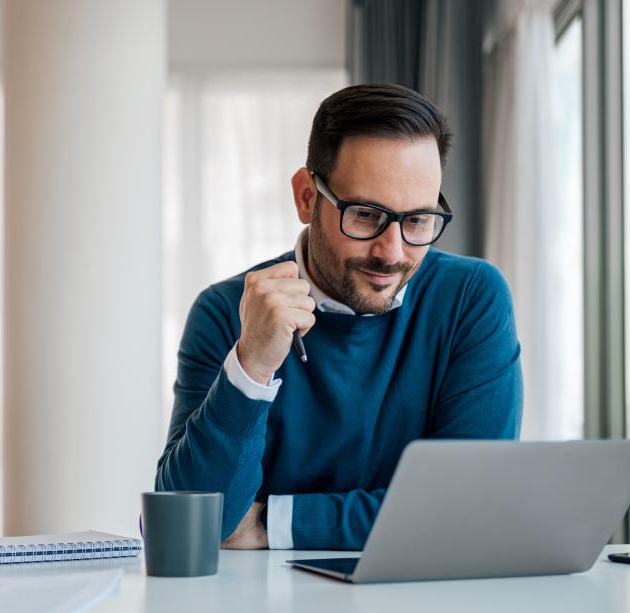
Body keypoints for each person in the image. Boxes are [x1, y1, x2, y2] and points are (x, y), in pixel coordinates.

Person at [154, 83, 523, 550]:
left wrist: (274, 524)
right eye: (366, 215)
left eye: (418, 220)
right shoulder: (226, 311)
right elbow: (186, 524)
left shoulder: (471, 297)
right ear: (307, 197)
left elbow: (471, 508)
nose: (392, 253)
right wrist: (252, 367)